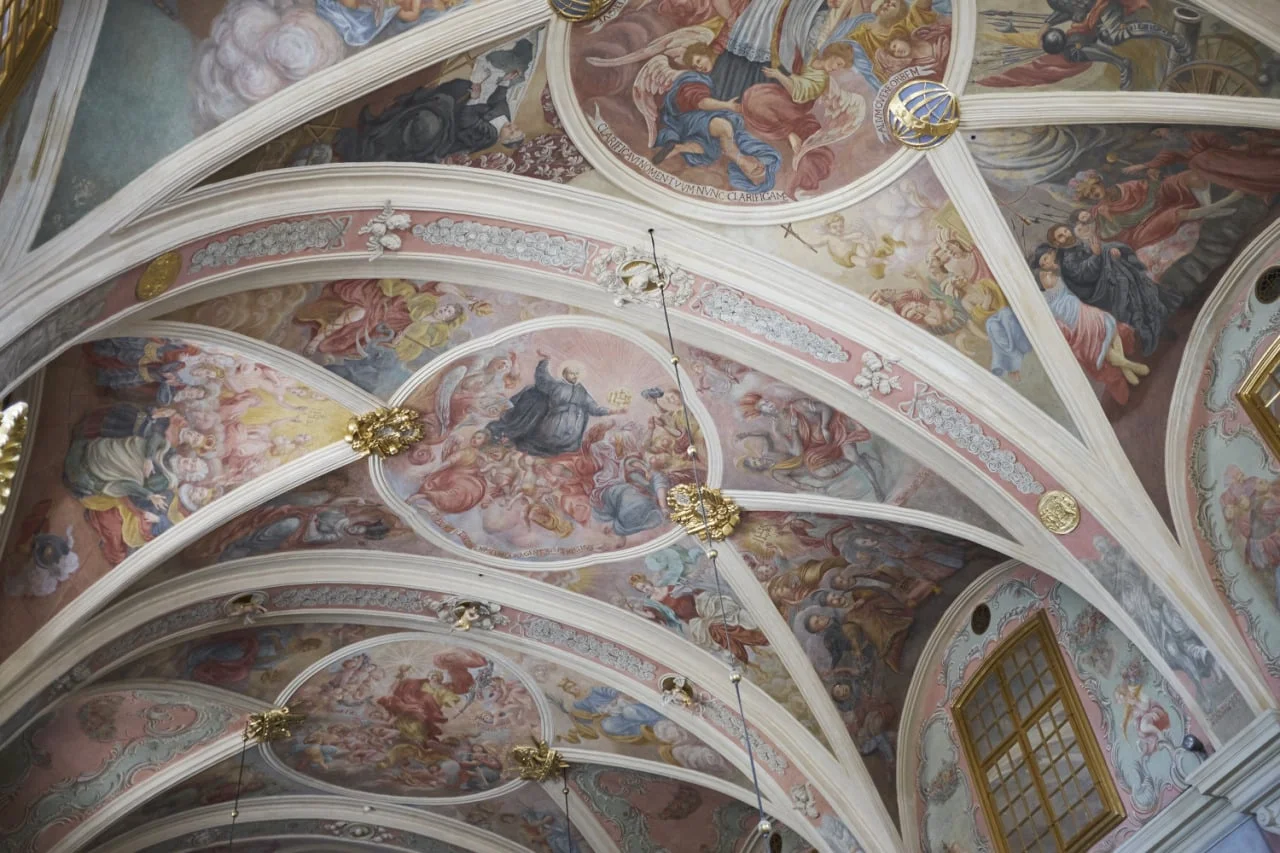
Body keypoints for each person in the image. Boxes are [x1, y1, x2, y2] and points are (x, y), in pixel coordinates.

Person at [1049, 212, 1180, 356]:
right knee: (1127, 294)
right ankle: (1150, 331)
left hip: (1110, 274)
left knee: (1136, 282)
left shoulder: (1080, 243)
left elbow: (1101, 248)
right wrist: (1097, 255)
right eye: (1061, 236)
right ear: (1057, 243)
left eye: (1065, 231)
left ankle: (1159, 321)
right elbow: (1084, 274)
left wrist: (1112, 250)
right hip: (1101, 290)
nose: (1066, 235)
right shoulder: (1067, 259)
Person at [1031, 244, 1149, 404]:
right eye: (1043, 273)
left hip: (1085, 311)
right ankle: (1130, 366)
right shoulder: (1045, 295)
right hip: (1076, 323)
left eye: (1046, 259)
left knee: (1111, 328)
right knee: (1101, 347)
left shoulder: (1060, 271)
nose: (1047, 271)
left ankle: (1126, 368)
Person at [485, 357, 625, 457]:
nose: (574, 376)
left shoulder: (582, 391)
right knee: (545, 441)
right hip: (555, 420)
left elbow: (593, 407)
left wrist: (612, 411)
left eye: (576, 373)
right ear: (564, 374)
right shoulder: (556, 386)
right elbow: (542, 379)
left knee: (566, 447)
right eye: (571, 373)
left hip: (573, 428)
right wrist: (544, 362)